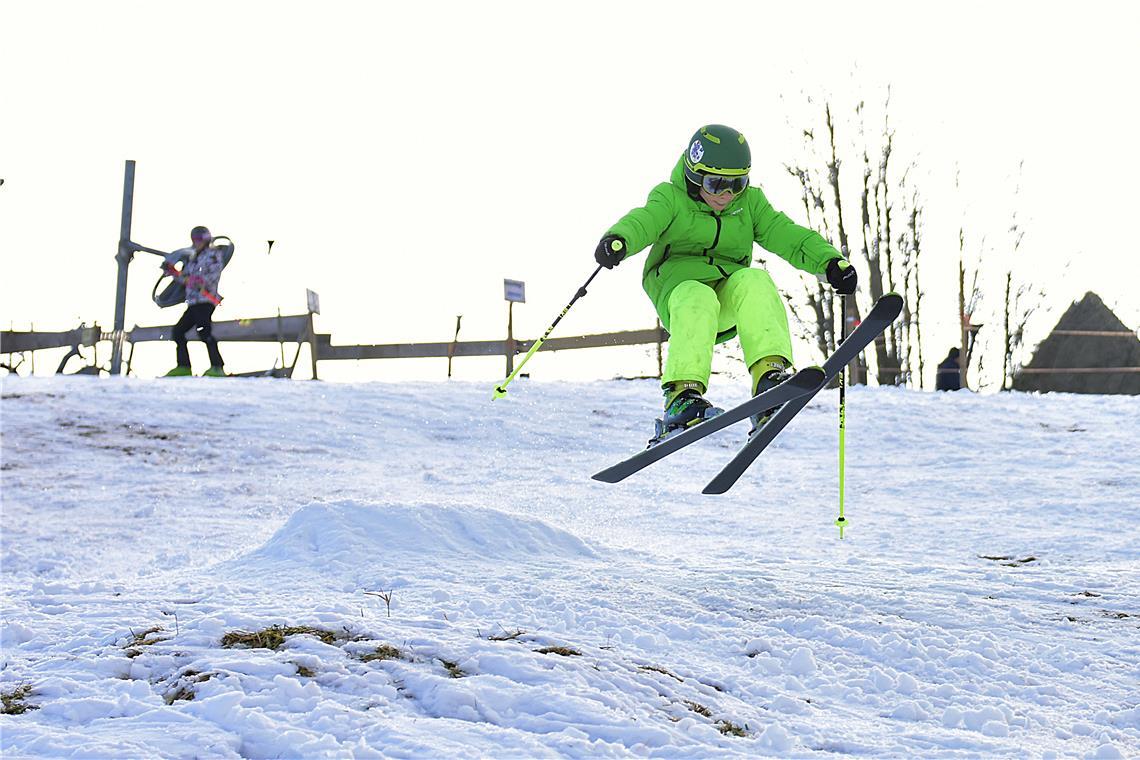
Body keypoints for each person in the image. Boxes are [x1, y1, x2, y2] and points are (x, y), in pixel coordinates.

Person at [595, 124, 857, 445]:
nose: (726, 194)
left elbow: (787, 235)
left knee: (755, 279)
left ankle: (769, 379)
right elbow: (644, 220)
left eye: (737, 184)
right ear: (694, 173)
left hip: (726, 294)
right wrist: (619, 239)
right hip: (678, 291)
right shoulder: (671, 198)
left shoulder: (750, 204)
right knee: (698, 296)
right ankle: (682, 396)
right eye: (716, 183)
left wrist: (828, 262)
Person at [163, 226, 232, 377]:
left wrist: (198, 280)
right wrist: (173, 272)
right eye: (194, 240)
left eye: (199, 239)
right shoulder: (193, 257)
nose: (196, 242)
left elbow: (212, 275)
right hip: (193, 302)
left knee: (204, 332)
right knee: (178, 332)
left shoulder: (213, 255)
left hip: (205, 301)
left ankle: (217, 367)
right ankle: (183, 367)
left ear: (206, 240)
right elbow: (185, 278)